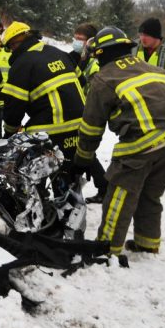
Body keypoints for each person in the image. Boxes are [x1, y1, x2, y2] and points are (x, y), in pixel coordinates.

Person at [74, 26, 165, 255]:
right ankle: (147, 244)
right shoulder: (154, 69)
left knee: (120, 195)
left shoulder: (104, 79)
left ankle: (106, 249)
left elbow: (91, 128)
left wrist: (82, 159)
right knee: (150, 195)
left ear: (100, 54)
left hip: (143, 139)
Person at [0, 21, 87, 239]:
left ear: (15, 43)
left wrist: (8, 136)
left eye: (9, 47)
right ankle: (70, 224)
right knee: (67, 178)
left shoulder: (22, 63)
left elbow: (13, 108)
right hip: (79, 128)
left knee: (33, 179)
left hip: (49, 131)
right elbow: (82, 80)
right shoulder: (58, 52)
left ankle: (40, 227)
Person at [68, 23, 108, 204]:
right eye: (75, 37)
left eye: (80, 39)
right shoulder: (79, 57)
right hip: (75, 110)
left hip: (87, 112)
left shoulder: (95, 63)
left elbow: (93, 90)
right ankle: (101, 186)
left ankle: (103, 186)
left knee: (85, 151)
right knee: (82, 150)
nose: (76, 41)